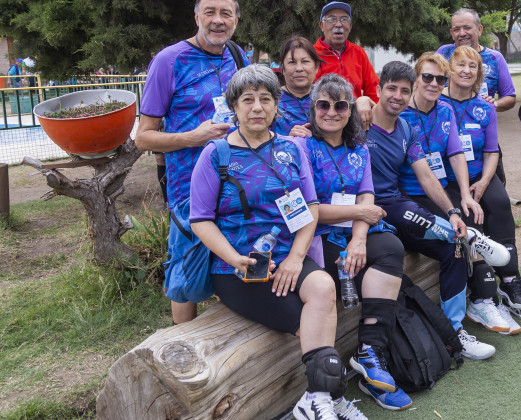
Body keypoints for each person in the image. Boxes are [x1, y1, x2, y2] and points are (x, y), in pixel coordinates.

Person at [188, 65, 355, 420]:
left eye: (266, 99)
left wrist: (296, 258)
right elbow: (200, 219)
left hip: (287, 256)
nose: (257, 107)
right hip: (239, 267)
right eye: (248, 100)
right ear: (234, 107)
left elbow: (309, 207)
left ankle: (317, 399)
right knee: (306, 324)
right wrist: (234, 258)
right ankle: (331, 397)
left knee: (324, 286)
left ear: (277, 106)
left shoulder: (293, 150)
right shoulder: (215, 155)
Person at [367, 61, 510, 360]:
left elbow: (426, 175)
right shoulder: (360, 121)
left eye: (403, 91)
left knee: (454, 249)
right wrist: (357, 103)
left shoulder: (406, 127)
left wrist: (452, 211)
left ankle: (455, 334)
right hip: (376, 207)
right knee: (418, 216)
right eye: (391, 88)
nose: (397, 95)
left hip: (394, 204)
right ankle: (472, 237)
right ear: (378, 90)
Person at [299, 73, 412, 411]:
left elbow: (367, 194)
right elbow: (310, 210)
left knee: (390, 248)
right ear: (313, 108)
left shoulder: (359, 147)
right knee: (338, 263)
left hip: (353, 230)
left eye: (340, 105)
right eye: (323, 104)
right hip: (317, 236)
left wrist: (360, 240)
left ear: (350, 111)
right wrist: (361, 215)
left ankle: (370, 351)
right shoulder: (301, 146)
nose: (331, 111)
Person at [134, 0, 249, 325]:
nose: (217, 20)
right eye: (209, 12)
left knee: (230, 267)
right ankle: (178, 349)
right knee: (185, 279)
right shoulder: (169, 61)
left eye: (225, 13)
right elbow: (143, 137)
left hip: (238, 186)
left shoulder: (238, 58)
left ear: (236, 20)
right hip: (190, 191)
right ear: (196, 16)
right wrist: (192, 138)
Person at [400, 52, 521, 335]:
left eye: (438, 79)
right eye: (427, 77)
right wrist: (365, 102)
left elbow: (456, 153)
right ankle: (481, 289)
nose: (433, 83)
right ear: (415, 79)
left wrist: (466, 195)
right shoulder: (401, 112)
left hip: (440, 186)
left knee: (476, 211)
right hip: (408, 194)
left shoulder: (444, 111)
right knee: (459, 231)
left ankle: (494, 290)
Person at [441, 47, 521, 326]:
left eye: (472, 66)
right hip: (448, 182)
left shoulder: (485, 106)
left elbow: (491, 151)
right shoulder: (437, 105)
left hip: (481, 175)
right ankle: (483, 294)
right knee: (468, 218)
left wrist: (485, 182)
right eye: (460, 65)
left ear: (479, 73)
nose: (466, 70)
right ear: (449, 69)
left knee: (499, 205)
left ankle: (511, 285)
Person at [275, 36, 375, 137]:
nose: (299, 68)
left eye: (305, 62)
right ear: (283, 68)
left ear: (316, 66)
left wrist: (363, 100)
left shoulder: (328, 96)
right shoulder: (272, 100)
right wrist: (288, 141)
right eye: (292, 62)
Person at [436, 8, 515, 113]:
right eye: (456, 29)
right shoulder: (443, 53)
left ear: (479, 30)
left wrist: (491, 105)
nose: (462, 33)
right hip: (444, 124)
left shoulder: (495, 58)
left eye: (467, 28)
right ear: (452, 33)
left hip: (478, 125)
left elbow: (510, 97)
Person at [314, 2, 378, 102]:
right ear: (322, 26)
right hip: (323, 114)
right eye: (331, 19)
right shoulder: (312, 54)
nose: (339, 24)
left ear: (350, 26)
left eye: (344, 19)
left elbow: (373, 90)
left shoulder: (358, 53)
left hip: (354, 114)